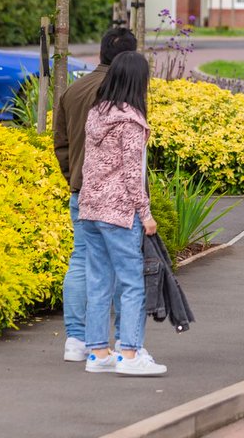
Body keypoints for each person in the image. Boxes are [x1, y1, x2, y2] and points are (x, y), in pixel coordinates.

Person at [79, 50, 166, 376]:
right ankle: (129, 354)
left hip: (90, 209)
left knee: (99, 282)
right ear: (138, 81)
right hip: (118, 213)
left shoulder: (96, 114)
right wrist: (145, 215)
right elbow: (132, 174)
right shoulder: (129, 121)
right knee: (132, 284)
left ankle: (98, 353)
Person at [52, 27, 136, 362]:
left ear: (101, 53)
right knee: (119, 266)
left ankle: (75, 338)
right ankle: (119, 344)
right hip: (116, 196)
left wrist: (73, 177)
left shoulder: (73, 91)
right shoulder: (125, 93)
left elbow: (61, 144)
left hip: (80, 190)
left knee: (81, 259)